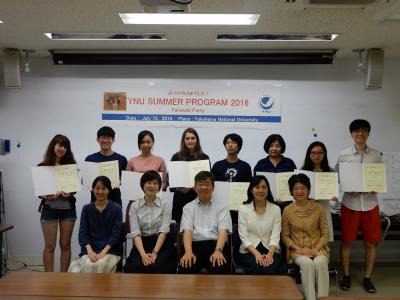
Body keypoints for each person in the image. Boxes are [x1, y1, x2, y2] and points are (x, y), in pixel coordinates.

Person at [336, 119, 383, 293]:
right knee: (347, 241)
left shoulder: (376, 155)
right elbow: (338, 178)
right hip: (350, 204)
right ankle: (347, 275)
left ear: (368, 133)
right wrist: (345, 188)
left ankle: (367, 277)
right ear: (351, 134)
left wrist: (377, 187)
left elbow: (379, 177)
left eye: (364, 130)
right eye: (356, 131)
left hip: (370, 205)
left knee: (371, 243)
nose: (360, 134)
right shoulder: (343, 154)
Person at [281, 174, 330, 300]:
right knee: (307, 264)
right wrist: (298, 248)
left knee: (320, 263)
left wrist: (316, 248)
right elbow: (285, 236)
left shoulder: (318, 208)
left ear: (308, 189)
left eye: (302, 188)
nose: (299, 191)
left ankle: (323, 298)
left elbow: (325, 233)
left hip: (318, 248)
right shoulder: (287, 210)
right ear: (291, 191)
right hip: (297, 250)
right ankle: (311, 298)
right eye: (296, 188)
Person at [178, 171, 232, 274]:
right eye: (200, 184)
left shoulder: (222, 207)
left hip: (215, 245)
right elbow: (187, 231)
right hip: (193, 246)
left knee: (220, 267)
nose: (204, 187)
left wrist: (218, 251)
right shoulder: (188, 207)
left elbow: (223, 231)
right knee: (186, 266)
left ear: (213, 187)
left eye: (207, 184)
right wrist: (188, 252)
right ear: (194, 187)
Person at [124, 171, 177, 273]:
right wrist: (143, 254)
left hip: (161, 243)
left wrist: (155, 252)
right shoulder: (135, 206)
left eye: (155, 183)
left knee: (158, 266)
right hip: (142, 243)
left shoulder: (165, 204)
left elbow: (164, 230)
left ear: (159, 187)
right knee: (134, 267)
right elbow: (136, 233)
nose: (152, 186)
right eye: (148, 182)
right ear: (142, 185)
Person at [38, 134, 77, 272]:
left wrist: (70, 193)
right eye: (60, 145)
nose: (62, 149)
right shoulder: (42, 167)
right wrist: (47, 196)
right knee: (50, 246)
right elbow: (38, 190)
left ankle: (63, 276)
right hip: (49, 209)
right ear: (53, 145)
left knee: (65, 245)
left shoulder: (71, 167)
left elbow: (74, 188)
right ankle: (49, 277)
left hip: (68, 209)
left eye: (65, 146)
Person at [68, 176, 122, 273]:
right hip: (90, 250)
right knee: (74, 270)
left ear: (109, 190)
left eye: (103, 188)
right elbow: (83, 234)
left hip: (110, 251)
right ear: (92, 190)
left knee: (98, 266)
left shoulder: (117, 208)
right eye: (97, 188)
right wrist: (90, 252)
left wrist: (103, 253)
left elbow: (116, 235)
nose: (100, 191)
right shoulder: (86, 209)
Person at [237, 175, 285, 275]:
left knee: (269, 267)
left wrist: (270, 254)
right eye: (257, 187)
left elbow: (276, 235)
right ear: (251, 190)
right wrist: (257, 254)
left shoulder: (276, 209)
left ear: (268, 190)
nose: (260, 190)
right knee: (257, 266)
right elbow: (243, 236)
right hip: (249, 251)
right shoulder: (243, 209)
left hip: (271, 249)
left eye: (264, 187)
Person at [170, 128, 210, 222]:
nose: (190, 141)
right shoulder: (176, 157)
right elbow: (171, 185)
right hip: (180, 200)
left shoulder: (204, 158)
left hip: (198, 198)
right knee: (180, 231)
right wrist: (178, 188)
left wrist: (198, 187)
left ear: (197, 140)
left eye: (193, 138)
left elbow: (209, 182)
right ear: (183, 141)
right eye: (187, 138)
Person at [211, 133, 252, 224]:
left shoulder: (245, 166)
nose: (230, 145)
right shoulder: (217, 165)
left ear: (239, 145)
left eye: (233, 142)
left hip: (238, 208)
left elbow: (249, 188)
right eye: (227, 142)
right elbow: (212, 186)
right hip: (219, 208)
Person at [301, 141, 337, 241]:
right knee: (308, 238)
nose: (316, 155)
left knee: (324, 237)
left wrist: (334, 195)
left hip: (323, 207)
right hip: (307, 209)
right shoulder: (302, 172)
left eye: (319, 153)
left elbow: (335, 191)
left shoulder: (330, 171)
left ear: (324, 154)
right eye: (313, 153)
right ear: (309, 154)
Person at [85, 126, 127, 206]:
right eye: (102, 138)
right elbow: (84, 181)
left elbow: (125, 181)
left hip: (115, 202)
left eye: (108, 138)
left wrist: (120, 182)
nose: (105, 141)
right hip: (96, 203)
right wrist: (89, 185)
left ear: (113, 140)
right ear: (97, 139)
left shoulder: (121, 159)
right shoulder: (90, 159)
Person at [253, 134, 296, 205]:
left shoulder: (289, 162)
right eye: (271, 146)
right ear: (267, 147)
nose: (274, 148)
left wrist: (287, 197)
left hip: (287, 203)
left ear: (282, 147)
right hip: (265, 203)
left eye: (277, 146)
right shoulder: (261, 163)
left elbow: (295, 182)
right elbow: (255, 183)